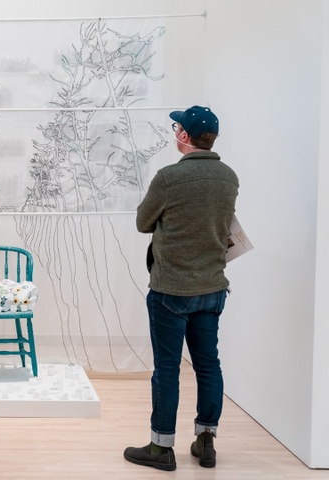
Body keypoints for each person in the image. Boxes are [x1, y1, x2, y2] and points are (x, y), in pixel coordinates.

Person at [123, 105, 239, 471]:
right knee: (208, 366)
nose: (175, 132)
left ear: (185, 137)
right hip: (211, 288)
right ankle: (206, 442)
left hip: (171, 290)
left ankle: (161, 449)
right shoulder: (229, 177)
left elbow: (143, 222)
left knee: (167, 370)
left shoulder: (169, 178)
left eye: (177, 128)